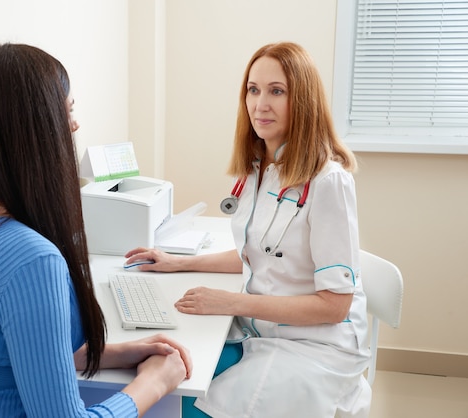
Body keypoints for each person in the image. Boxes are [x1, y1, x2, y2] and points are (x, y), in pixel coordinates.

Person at [0, 43, 192, 417]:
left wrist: (118, 353)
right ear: (33, 126)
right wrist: (155, 382)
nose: (74, 125)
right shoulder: (31, 258)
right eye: (68, 110)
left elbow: (6, 357)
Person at [125, 42, 371, 418]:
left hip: (313, 345)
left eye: (277, 91)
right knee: (172, 374)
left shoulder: (328, 182)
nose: (260, 104)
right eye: (253, 90)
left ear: (302, 100)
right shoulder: (260, 168)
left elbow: (335, 306)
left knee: (189, 409)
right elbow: (256, 253)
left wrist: (232, 303)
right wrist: (176, 263)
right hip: (261, 331)